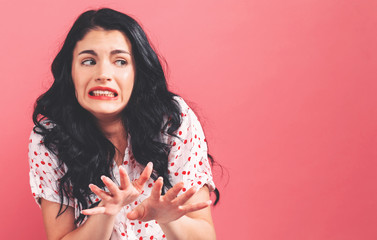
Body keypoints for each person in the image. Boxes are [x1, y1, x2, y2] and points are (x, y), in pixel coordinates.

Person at [28, 8, 218, 240]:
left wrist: (168, 220)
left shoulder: (172, 120)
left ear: (137, 72)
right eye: (88, 61)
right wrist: (107, 213)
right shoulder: (50, 137)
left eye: (120, 61)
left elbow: (206, 236)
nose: (103, 74)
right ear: (71, 72)